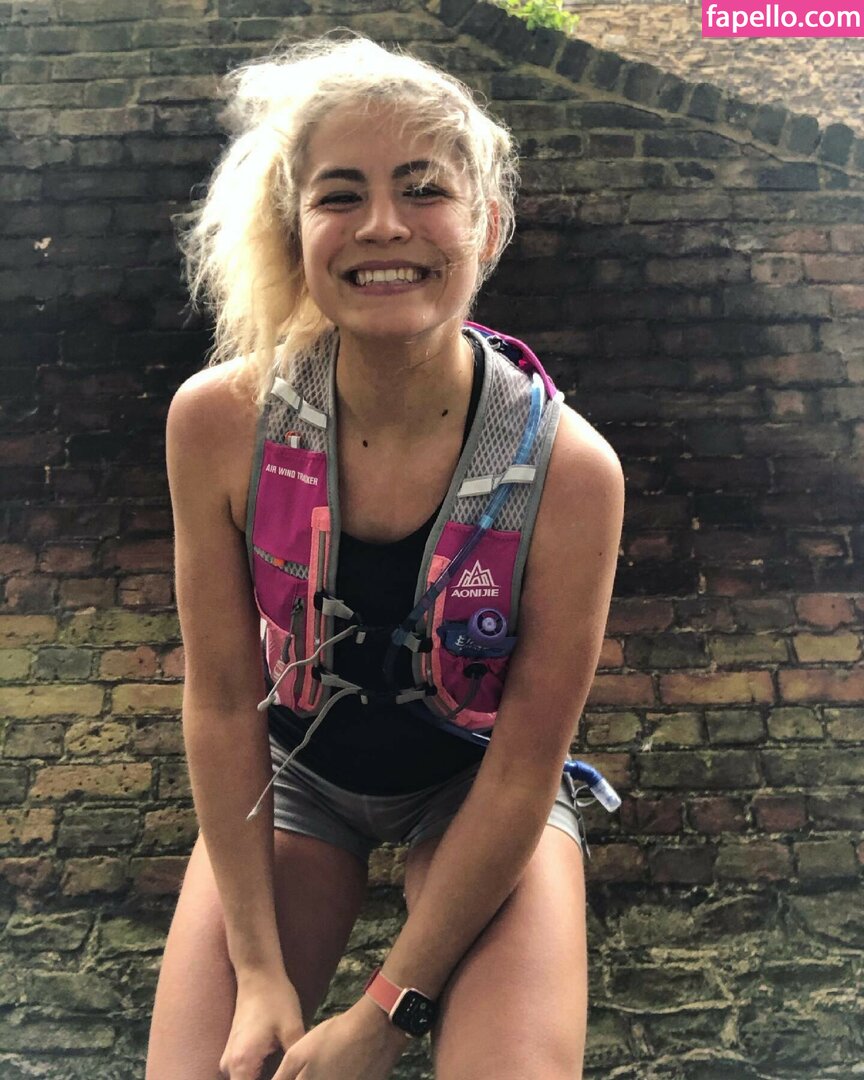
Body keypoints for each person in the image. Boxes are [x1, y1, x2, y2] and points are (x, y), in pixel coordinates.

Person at [146, 33, 624, 1080]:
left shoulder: (571, 471)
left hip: (479, 789)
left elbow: (525, 763)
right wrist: (258, 972)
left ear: (486, 221)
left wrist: (385, 1016)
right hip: (299, 777)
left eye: (424, 188)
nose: (382, 226)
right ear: (296, 227)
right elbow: (223, 702)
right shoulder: (220, 424)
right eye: (340, 195)